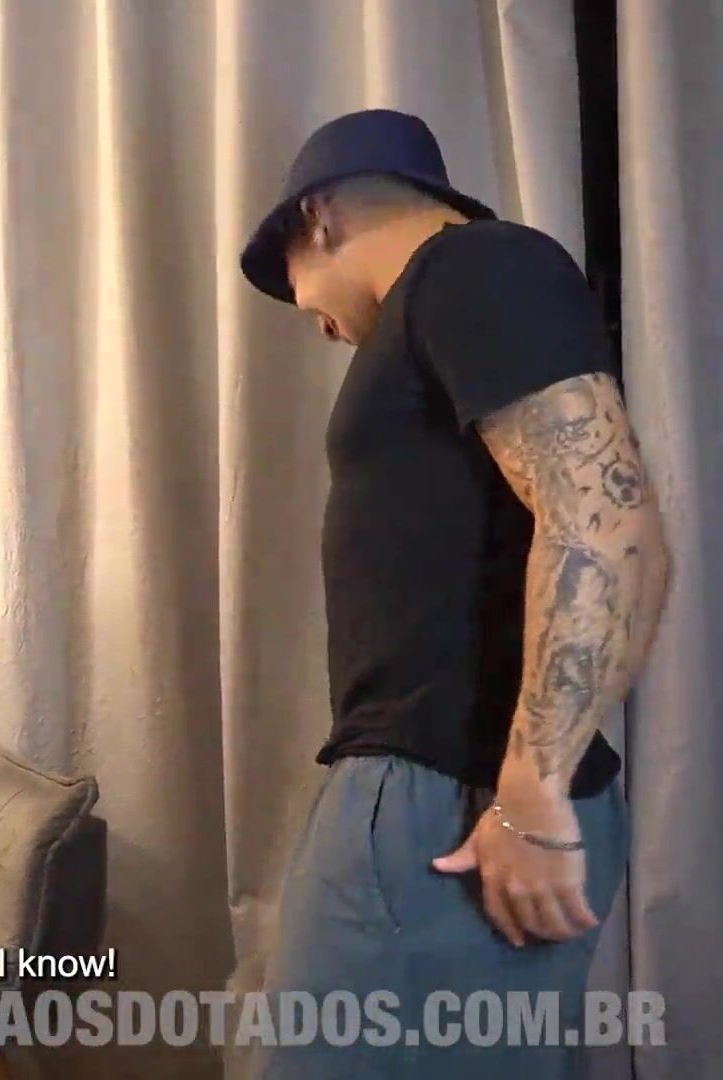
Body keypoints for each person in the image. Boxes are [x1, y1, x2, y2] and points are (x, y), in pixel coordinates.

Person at [237, 109, 671, 1076]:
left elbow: (606, 523)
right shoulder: (471, 283)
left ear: (318, 216)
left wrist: (532, 795)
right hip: (455, 798)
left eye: (293, 284)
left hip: (443, 810)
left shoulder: (472, 266)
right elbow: (626, 536)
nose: (316, 323)